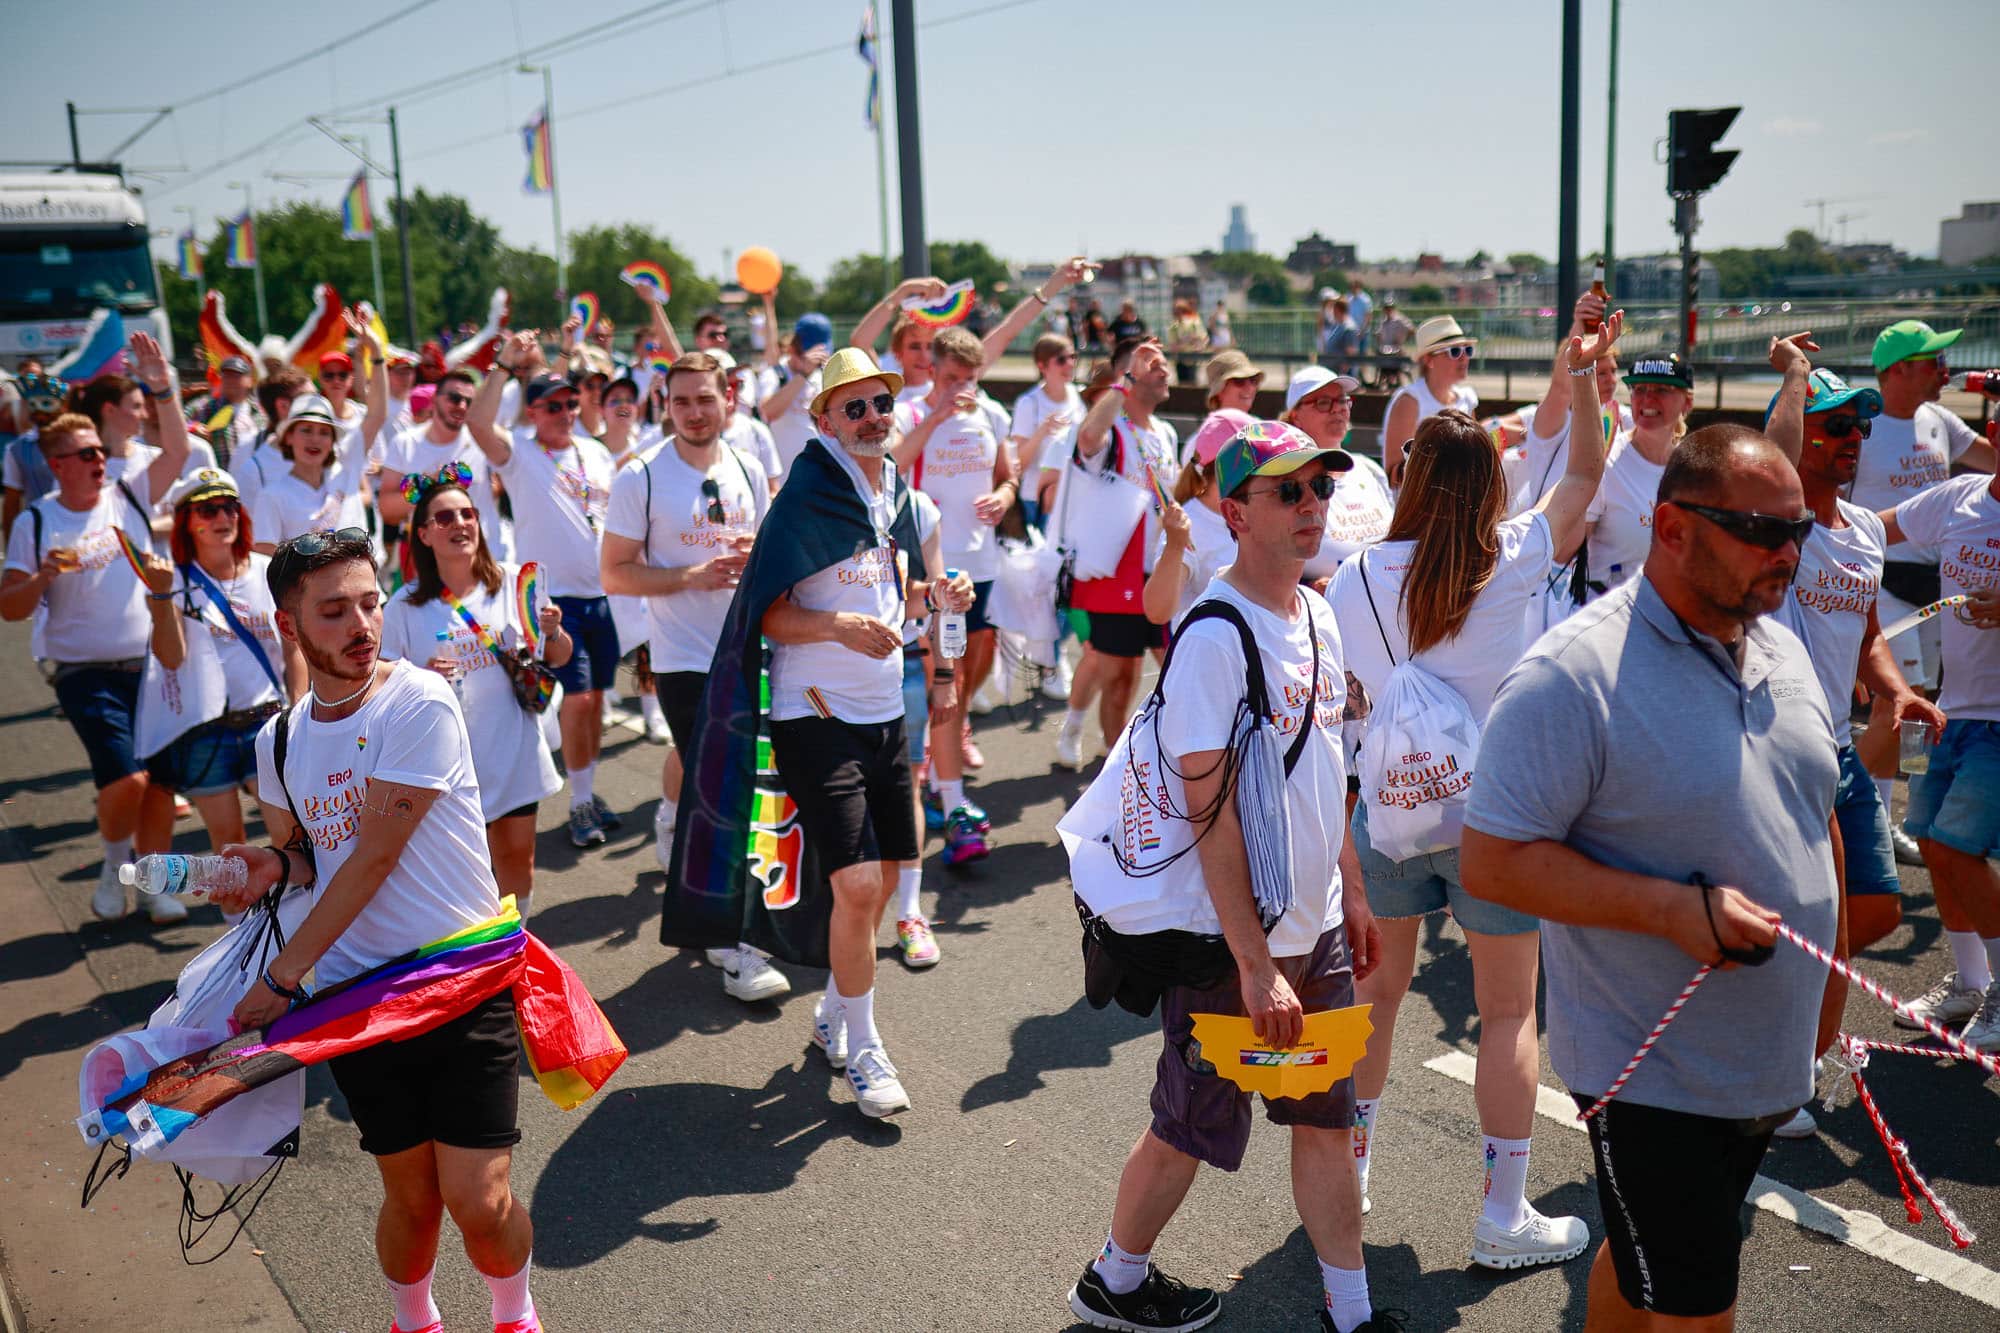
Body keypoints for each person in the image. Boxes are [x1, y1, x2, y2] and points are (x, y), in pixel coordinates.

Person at [1461, 424, 1840, 1332]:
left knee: (1645, 1272)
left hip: (1761, 1057)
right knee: (1695, 1303)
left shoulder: (1779, 644)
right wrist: (1670, 910)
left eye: (1799, 531)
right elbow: (1493, 859)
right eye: (1760, 530)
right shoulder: (1568, 676)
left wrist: (1827, 988)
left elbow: (1811, 810)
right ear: (1671, 527)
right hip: (1654, 1073)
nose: (1786, 553)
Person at [1059, 420, 1390, 1333]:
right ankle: (1114, 1280)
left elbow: (1328, 768)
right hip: (1229, 945)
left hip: (1312, 928)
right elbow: (1211, 817)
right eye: (1287, 491)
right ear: (1232, 510)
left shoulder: (1318, 611)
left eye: (1319, 488)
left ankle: (1352, 1315)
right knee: (1190, 1128)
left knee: (1326, 1118)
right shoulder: (1213, 635)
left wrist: (1350, 890)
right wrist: (1254, 963)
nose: (1312, 506)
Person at [1327, 318, 1618, 1269]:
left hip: (1391, 809)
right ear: (1491, 485)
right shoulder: (1513, 556)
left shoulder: (1357, 577)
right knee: (1504, 1014)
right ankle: (1502, 1212)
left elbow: (1357, 696)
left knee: (1376, 995)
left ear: (1407, 482)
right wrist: (1577, 378)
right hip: (1496, 814)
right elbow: (1585, 476)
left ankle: (1353, 1169)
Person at [215, 529, 544, 1333]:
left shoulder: (419, 700)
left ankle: (515, 1312)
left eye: (371, 602)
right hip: (358, 1000)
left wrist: (282, 977)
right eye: (334, 610)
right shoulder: (279, 740)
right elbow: (312, 859)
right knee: (412, 1196)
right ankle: (414, 1320)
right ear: (290, 624)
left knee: (480, 1197)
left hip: (458, 983)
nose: (362, 623)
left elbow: (373, 855)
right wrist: (268, 865)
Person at [664, 347, 972, 1117]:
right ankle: (864, 1051)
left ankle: (836, 1010)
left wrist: (940, 594)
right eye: (856, 407)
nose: (873, 419)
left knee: (881, 882)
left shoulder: (897, 490)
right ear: (826, 418)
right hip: (815, 717)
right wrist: (834, 625)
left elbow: (898, 592)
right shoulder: (805, 493)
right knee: (860, 883)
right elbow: (765, 610)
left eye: (881, 404)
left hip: (882, 718)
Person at [1758, 349, 1944, 1137]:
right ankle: (1791, 1072)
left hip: (1839, 748)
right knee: (1829, 927)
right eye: (1837, 425)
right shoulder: (1782, 525)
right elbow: (1770, 454)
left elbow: (1867, 634)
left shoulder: (1866, 530)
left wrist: (1897, 689)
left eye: (1862, 424)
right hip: (1775, 747)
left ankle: (1777, 1028)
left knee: (1872, 909)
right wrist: (1796, 382)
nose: (1855, 437)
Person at [601, 352, 787, 1001]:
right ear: (666, 403)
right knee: (725, 788)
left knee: (729, 781)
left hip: (748, 648)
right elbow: (615, 572)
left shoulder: (744, 465)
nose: (694, 411)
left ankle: (674, 820)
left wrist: (754, 556)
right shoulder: (641, 476)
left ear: (727, 396)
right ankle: (727, 939)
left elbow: (766, 547)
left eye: (705, 398)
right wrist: (691, 576)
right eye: (682, 401)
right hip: (682, 657)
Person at [0, 411, 178, 922]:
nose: (98, 459)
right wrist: (41, 578)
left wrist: (160, 388)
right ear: (58, 465)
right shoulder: (37, 521)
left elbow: (178, 453)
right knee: (129, 779)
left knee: (161, 784)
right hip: (84, 671)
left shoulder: (128, 498)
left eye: (99, 450)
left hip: (149, 664)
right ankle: (113, 868)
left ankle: (152, 885)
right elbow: (10, 607)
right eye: (85, 453)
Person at [383, 475, 568, 921]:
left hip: (514, 743)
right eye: (444, 517)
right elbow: (381, 682)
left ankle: (516, 936)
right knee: (466, 868)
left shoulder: (512, 582)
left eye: (468, 514)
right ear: (423, 534)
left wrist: (551, 631)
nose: (460, 524)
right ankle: (478, 949)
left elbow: (558, 656)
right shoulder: (404, 606)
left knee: (518, 855)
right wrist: (420, 677)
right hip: (450, 761)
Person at [1853, 319, 1998, 866]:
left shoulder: (1939, 420)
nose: (1943, 370)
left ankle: (1886, 815)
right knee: (1899, 705)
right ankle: (1861, 816)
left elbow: (1991, 460)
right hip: (1884, 580)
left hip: (1939, 585)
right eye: (1931, 361)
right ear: (1896, 370)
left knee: (1920, 710)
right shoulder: (1862, 426)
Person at [468, 337, 620, 850]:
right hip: (552, 603)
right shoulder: (520, 453)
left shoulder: (596, 453)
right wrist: (503, 365)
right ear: (532, 412)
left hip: (603, 595)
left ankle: (589, 790)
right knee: (576, 701)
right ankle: (578, 804)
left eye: (571, 402)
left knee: (596, 698)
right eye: (553, 406)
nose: (565, 412)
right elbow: (477, 425)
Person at [1876, 432, 2000, 1054]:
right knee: (1928, 838)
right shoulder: (1962, 498)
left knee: (1955, 846)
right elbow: (1873, 530)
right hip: (1953, 712)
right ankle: (1972, 984)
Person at [139, 469, 304, 856]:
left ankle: (297, 916)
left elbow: (294, 648)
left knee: (290, 836)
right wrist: (162, 601)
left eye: (230, 507)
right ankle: (243, 917)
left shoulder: (266, 572)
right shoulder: (173, 580)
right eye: (208, 510)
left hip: (267, 721)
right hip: (206, 732)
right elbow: (171, 658)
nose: (222, 518)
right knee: (229, 846)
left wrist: (297, 709)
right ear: (187, 523)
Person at [892, 326, 1018, 804]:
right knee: (941, 670)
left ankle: (955, 729)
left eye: (969, 379)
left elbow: (1008, 476)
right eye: (951, 378)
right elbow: (895, 462)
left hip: (981, 561)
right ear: (932, 371)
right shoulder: (909, 412)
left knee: (974, 660)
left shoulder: (991, 414)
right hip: (931, 566)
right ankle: (931, 761)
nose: (962, 388)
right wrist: (938, 414)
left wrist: (1003, 498)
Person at [1052, 337, 1181, 770]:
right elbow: (1087, 438)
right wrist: (1123, 382)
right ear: (1128, 373)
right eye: (1152, 362)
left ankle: (1142, 760)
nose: (1163, 369)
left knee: (1178, 669)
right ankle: (1113, 767)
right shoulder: (1114, 430)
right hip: (1115, 575)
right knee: (1120, 678)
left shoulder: (1165, 432)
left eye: (1165, 362)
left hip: (1159, 573)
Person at [1571, 353, 1697, 601]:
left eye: (1662, 390)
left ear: (1687, 403)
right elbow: (1567, 551)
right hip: (1607, 611)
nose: (1648, 399)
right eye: (1639, 389)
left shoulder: (1694, 470)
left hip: (1669, 613)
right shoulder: (1606, 461)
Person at [1283, 368, 1393, 590]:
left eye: (1342, 401)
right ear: (1296, 416)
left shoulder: (1370, 470)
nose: (1338, 410)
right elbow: (1270, 561)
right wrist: (1309, 587)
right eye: (1323, 402)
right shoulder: (1286, 482)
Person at [1142, 409, 1252, 628]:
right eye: (1253, 462)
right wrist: (1175, 545)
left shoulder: (1258, 512)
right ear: (1222, 468)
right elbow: (1157, 612)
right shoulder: (1191, 523)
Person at [249, 395, 368, 553]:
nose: (315, 439)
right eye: (306, 430)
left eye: (324, 432)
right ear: (289, 437)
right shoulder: (271, 496)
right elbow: (265, 558)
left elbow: (377, 416)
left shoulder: (343, 479)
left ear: (332, 441)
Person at [1381, 317, 1479, 488]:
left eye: (1467, 350)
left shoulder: (1467, 399)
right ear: (1428, 360)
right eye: (1455, 351)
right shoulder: (1409, 402)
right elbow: (1393, 475)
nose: (1464, 358)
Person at [1011, 333, 1084, 523]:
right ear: (1042, 366)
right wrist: (1042, 431)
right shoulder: (1029, 403)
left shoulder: (1077, 396)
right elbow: (1017, 463)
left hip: (1072, 497)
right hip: (1037, 501)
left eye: (1072, 357)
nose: (1070, 364)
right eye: (1061, 359)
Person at [229, 368, 310, 518]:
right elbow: (241, 512)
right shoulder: (248, 449)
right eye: (309, 399)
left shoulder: (326, 445)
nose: (318, 404)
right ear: (283, 406)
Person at [186, 354, 262, 472]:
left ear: (250, 381)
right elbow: (175, 424)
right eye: (226, 376)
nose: (231, 380)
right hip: (220, 479)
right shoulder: (205, 406)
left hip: (253, 479)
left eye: (237, 376)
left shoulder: (259, 412)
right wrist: (194, 427)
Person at [1202, 349, 1264, 418]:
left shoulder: (1258, 426)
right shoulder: (1214, 427)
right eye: (1239, 380)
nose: (1250, 387)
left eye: (1253, 380)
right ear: (1219, 391)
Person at [1166, 298, 1209, 385]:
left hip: (1193, 359)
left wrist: (1195, 343)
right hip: (1180, 360)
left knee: (1192, 385)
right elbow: (1173, 346)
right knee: (1182, 386)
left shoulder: (1194, 322)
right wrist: (1188, 341)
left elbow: (1204, 338)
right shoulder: (1173, 327)